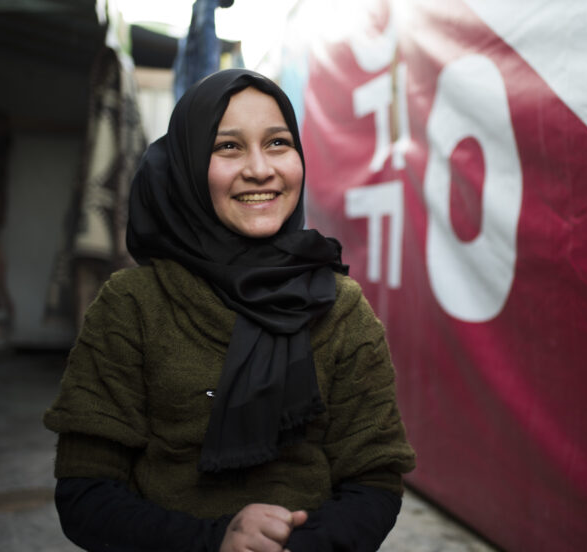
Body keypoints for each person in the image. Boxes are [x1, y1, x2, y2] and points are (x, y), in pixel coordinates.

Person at [43, 68, 416, 552]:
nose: (260, 169)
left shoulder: (340, 309)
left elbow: (375, 481)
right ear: (188, 166)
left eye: (278, 143)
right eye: (228, 147)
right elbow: (85, 493)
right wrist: (215, 541)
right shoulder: (132, 305)